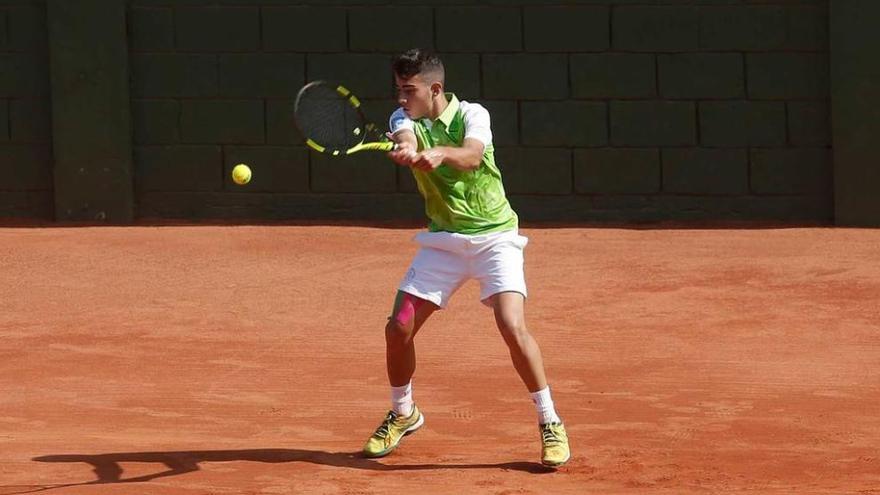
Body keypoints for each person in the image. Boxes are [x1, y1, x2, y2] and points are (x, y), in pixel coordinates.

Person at [361, 48, 570, 468]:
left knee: (512, 326)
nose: (401, 99)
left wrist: (439, 154)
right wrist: (407, 148)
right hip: (444, 242)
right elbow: (405, 135)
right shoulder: (403, 120)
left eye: (409, 91)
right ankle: (404, 412)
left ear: (434, 89)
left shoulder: (474, 114)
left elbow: (473, 155)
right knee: (397, 328)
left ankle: (550, 422)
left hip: (495, 237)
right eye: (398, 90)